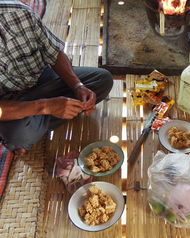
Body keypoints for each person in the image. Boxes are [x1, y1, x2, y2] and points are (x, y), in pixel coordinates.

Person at [0, 1, 113, 154]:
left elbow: (53, 53)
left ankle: (37, 123)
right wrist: (45, 106)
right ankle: (28, 128)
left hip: (41, 79)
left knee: (102, 79)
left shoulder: (19, 13)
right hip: (8, 103)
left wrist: (77, 86)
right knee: (21, 136)